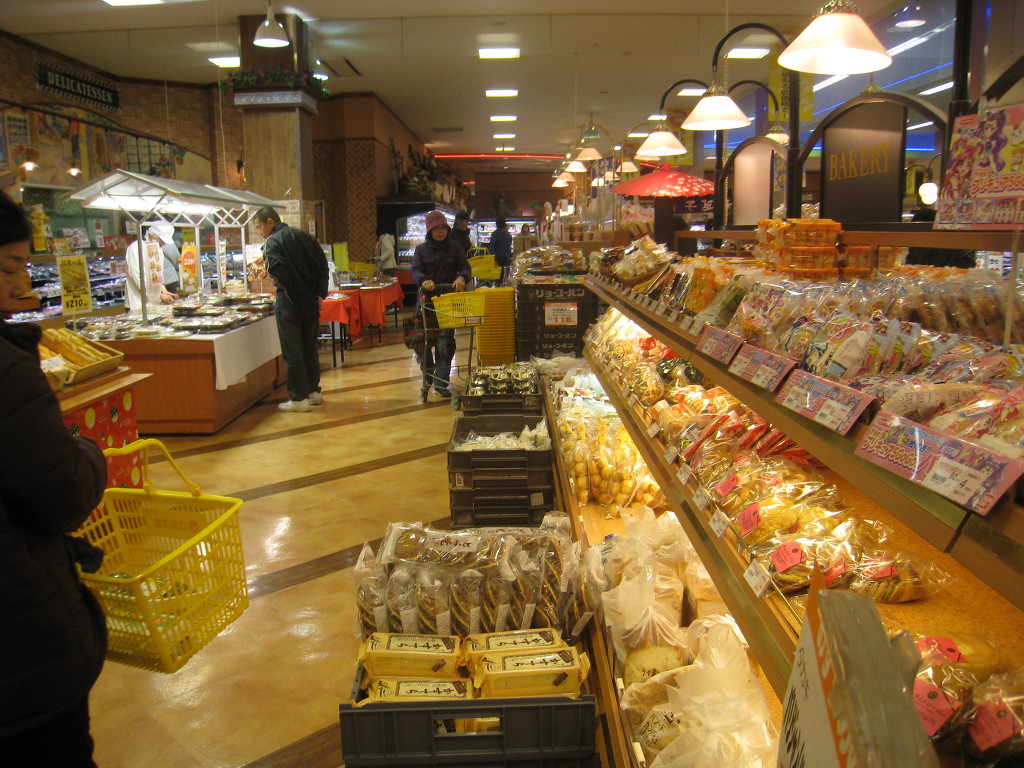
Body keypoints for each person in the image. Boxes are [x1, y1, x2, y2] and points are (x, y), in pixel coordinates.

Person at [0, 190, 109, 766]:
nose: (22, 283)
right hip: (19, 647)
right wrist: (88, 451)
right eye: (9, 267)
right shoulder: (8, 370)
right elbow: (61, 492)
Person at [256, 206, 330, 412]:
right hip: (311, 301)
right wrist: (319, 294)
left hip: (290, 302)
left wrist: (297, 297)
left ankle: (299, 398)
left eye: (259, 227)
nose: (259, 232)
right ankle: (313, 392)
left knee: (293, 351)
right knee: (310, 348)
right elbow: (323, 265)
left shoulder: (272, 242)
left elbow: (280, 274)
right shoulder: (304, 236)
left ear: (270, 222)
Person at [411, 210, 471, 398]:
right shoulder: (421, 250)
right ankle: (428, 375)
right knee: (422, 342)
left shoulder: (455, 247)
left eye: (443, 228)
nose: (440, 231)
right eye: (436, 228)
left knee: (445, 341)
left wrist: (462, 278)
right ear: (429, 230)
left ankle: (441, 382)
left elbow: (465, 267)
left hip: (447, 302)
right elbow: (415, 271)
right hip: (426, 303)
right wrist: (423, 280)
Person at [124, 224, 179, 311]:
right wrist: (160, 296)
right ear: (152, 235)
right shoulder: (135, 248)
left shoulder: (157, 249)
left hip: (154, 303)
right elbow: (139, 279)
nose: (163, 243)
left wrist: (164, 291)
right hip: (137, 303)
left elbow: (157, 275)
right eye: (162, 240)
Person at [153, 222, 181, 294]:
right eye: (162, 241)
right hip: (169, 279)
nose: (163, 243)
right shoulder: (167, 245)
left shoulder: (158, 246)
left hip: (161, 282)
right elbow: (178, 260)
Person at [488, 217, 513, 281]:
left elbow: (491, 248)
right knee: (505, 277)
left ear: (496, 224)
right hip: (506, 259)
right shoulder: (508, 235)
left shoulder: (495, 234)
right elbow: (509, 246)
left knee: (497, 278)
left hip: (497, 259)